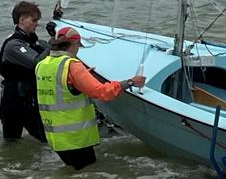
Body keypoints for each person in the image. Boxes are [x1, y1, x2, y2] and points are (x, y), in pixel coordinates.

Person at [35, 26, 146, 170]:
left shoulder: (42, 65)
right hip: (75, 138)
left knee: (74, 176)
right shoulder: (72, 65)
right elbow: (101, 92)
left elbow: (60, 88)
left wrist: (82, 77)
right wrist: (129, 82)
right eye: (78, 46)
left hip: (56, 139)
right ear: (74, 44)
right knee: (88, 174)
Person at [0, 1, 49, 142]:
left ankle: (28, 162)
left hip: (27, 100)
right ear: (21, 20)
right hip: (14, 103)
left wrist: (56, 39)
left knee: (43, 140)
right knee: (13, 143)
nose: (37, 23)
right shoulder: (14, 44)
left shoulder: (33, 42)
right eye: (34, 20)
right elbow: (37, 62)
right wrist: (52, 45)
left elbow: (49, 57)